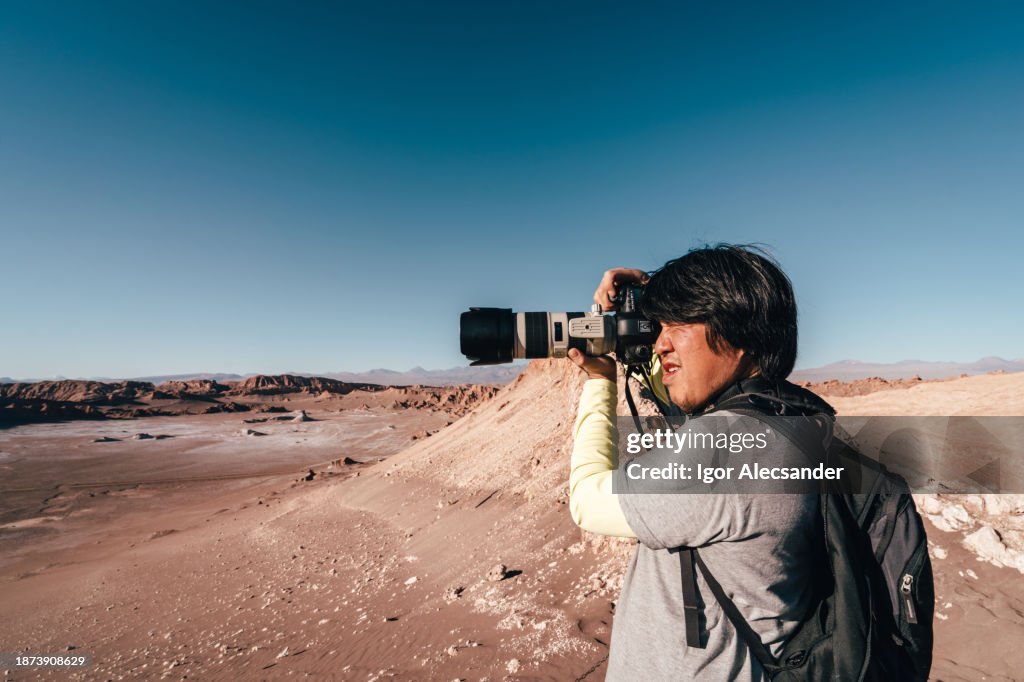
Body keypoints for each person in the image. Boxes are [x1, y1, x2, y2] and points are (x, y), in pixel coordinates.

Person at [566, 244, 835, 680]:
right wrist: (634, 315)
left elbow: (586, 501)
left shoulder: (726, 445)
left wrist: (600, 379)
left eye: (680, 323)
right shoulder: (789, 421)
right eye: (659, 326)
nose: (661, 343)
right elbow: (682, 388)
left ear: (742, 332)